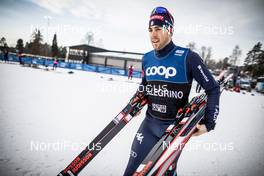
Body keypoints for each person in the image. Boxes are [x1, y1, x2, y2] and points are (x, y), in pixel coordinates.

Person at [123, 7, 220, 176]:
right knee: (133, 169)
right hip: (149, 124)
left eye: (158, 29)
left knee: (164, 172)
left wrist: (209, 124)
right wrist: (134, 103)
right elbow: (145, 86)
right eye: (150, 30)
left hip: (174, 130)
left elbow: (213, 89)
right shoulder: (147, 58)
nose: (153, 35)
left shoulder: (188, 57)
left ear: (170, 30)